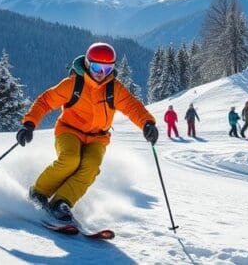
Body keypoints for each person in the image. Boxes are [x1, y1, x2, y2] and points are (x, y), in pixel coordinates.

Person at [16, 42, 158, 222]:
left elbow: (132, 107)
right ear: (88, 64)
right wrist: (29, 123)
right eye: (97, 67)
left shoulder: (114, 89)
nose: (101, 74)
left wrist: (147, 123)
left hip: (98, 138)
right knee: (70, 159)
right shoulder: (73, 84)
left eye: (108, 69)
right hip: (69, 130)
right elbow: (45, 101)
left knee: (90, 167)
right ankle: (39, 192)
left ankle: (61, 201)